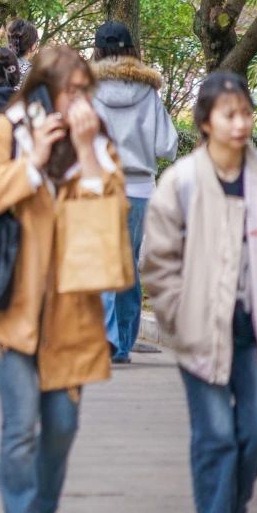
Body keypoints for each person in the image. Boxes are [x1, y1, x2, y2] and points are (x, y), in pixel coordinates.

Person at [0, 45, 127, 513]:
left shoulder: (95, 143)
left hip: (71, 313)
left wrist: (90, 153)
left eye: (85, 92)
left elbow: (112, 228)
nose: (81, 101)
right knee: (22, 424)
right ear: (46, 91)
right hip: (8, 305)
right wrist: (31, 163)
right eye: (73, 91)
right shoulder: (7, 131)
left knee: (62, 424)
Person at [141, 72, 257, 513]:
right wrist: (177, 313)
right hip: (201, 326)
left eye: (246, 113)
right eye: (229, 114)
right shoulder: (180, 182)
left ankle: (229, 510)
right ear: (204, 122)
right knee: (216, 436)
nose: (240, 124)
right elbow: (156, 261)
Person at [90, 21, 179, 364]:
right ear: (131, 50)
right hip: (140, 189)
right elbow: (166, 146)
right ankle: (124, 343)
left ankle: (106, 336)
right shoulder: (148, 93)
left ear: (96, 51)